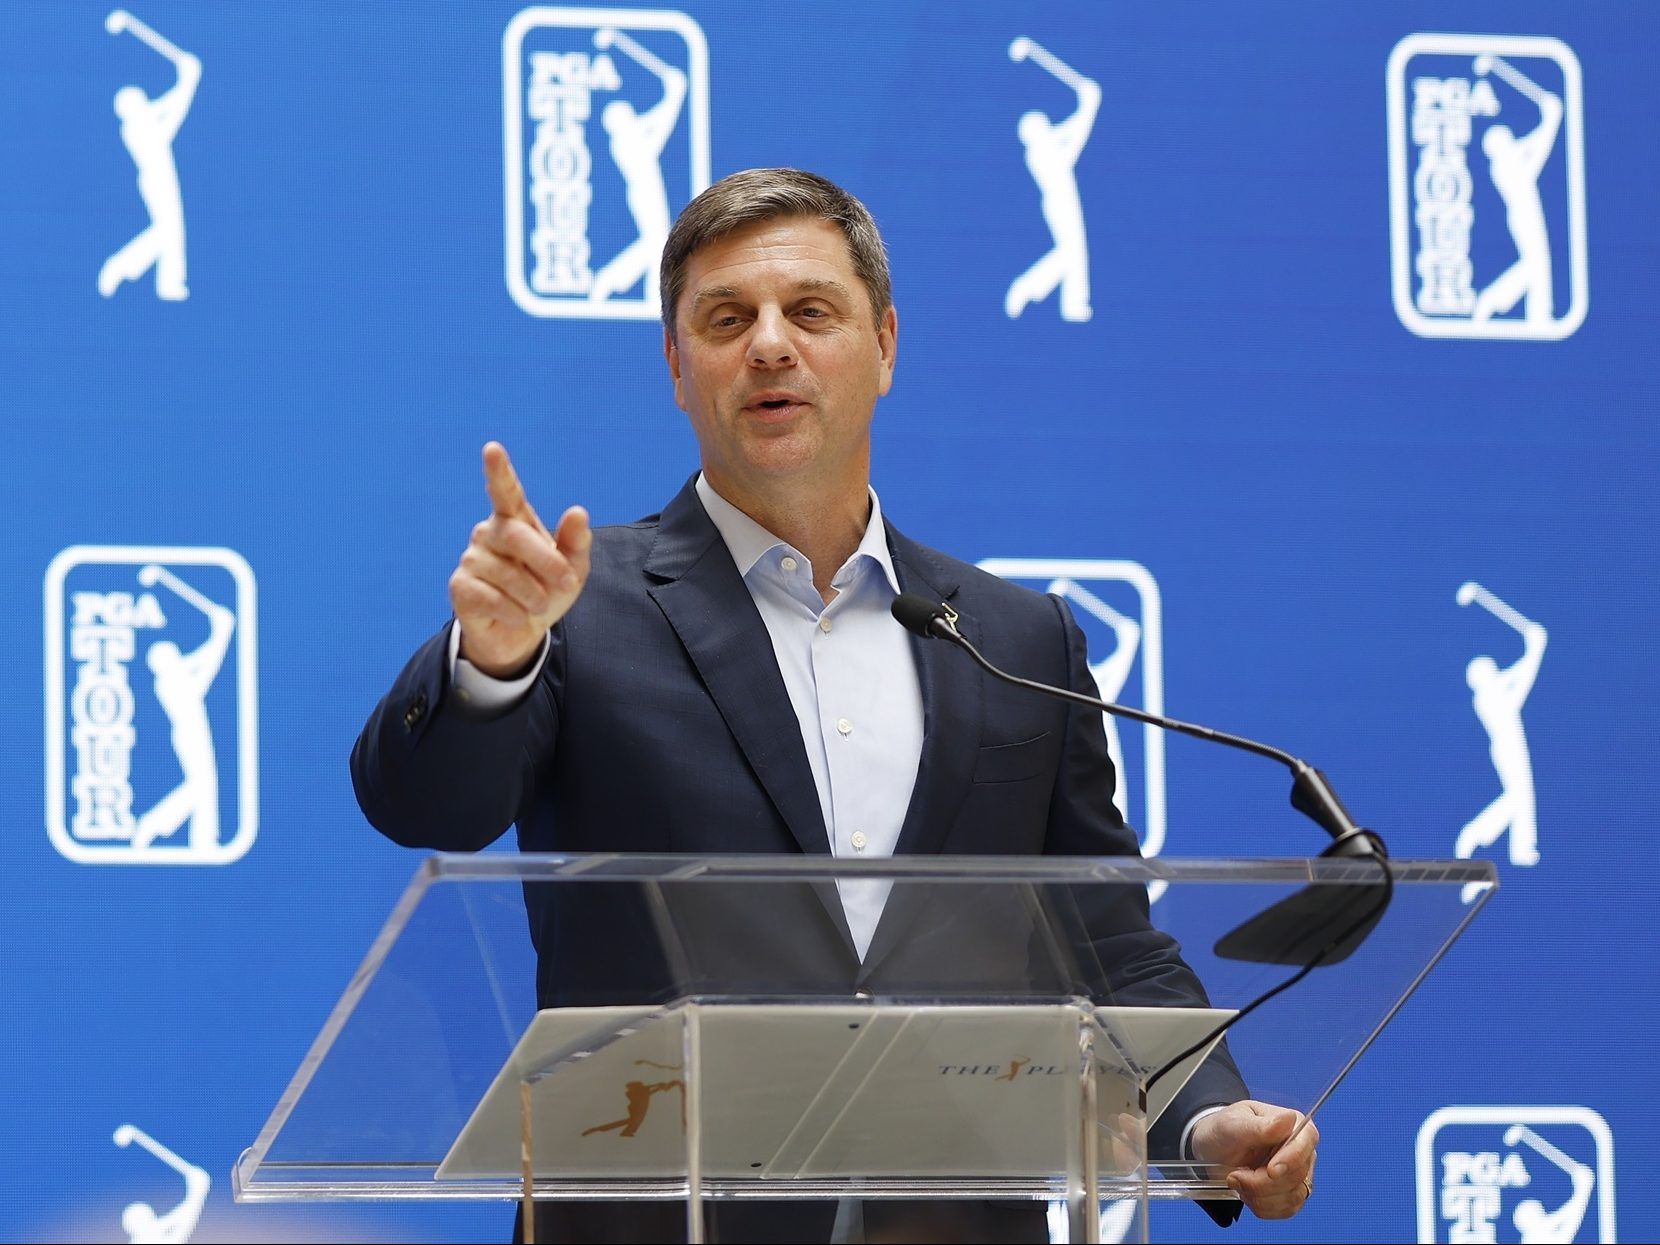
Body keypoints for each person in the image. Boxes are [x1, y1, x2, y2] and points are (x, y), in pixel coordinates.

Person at [352, 168, 1316, 1242]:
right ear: (676, 366)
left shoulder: (1012, 638)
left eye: (810, 311)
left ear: (885, 345)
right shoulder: (578, 606)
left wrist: (1204, 1118)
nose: (770, 345)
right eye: (727, 319)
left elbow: (1109, 943)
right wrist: (492, 660)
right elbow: (425, 806)